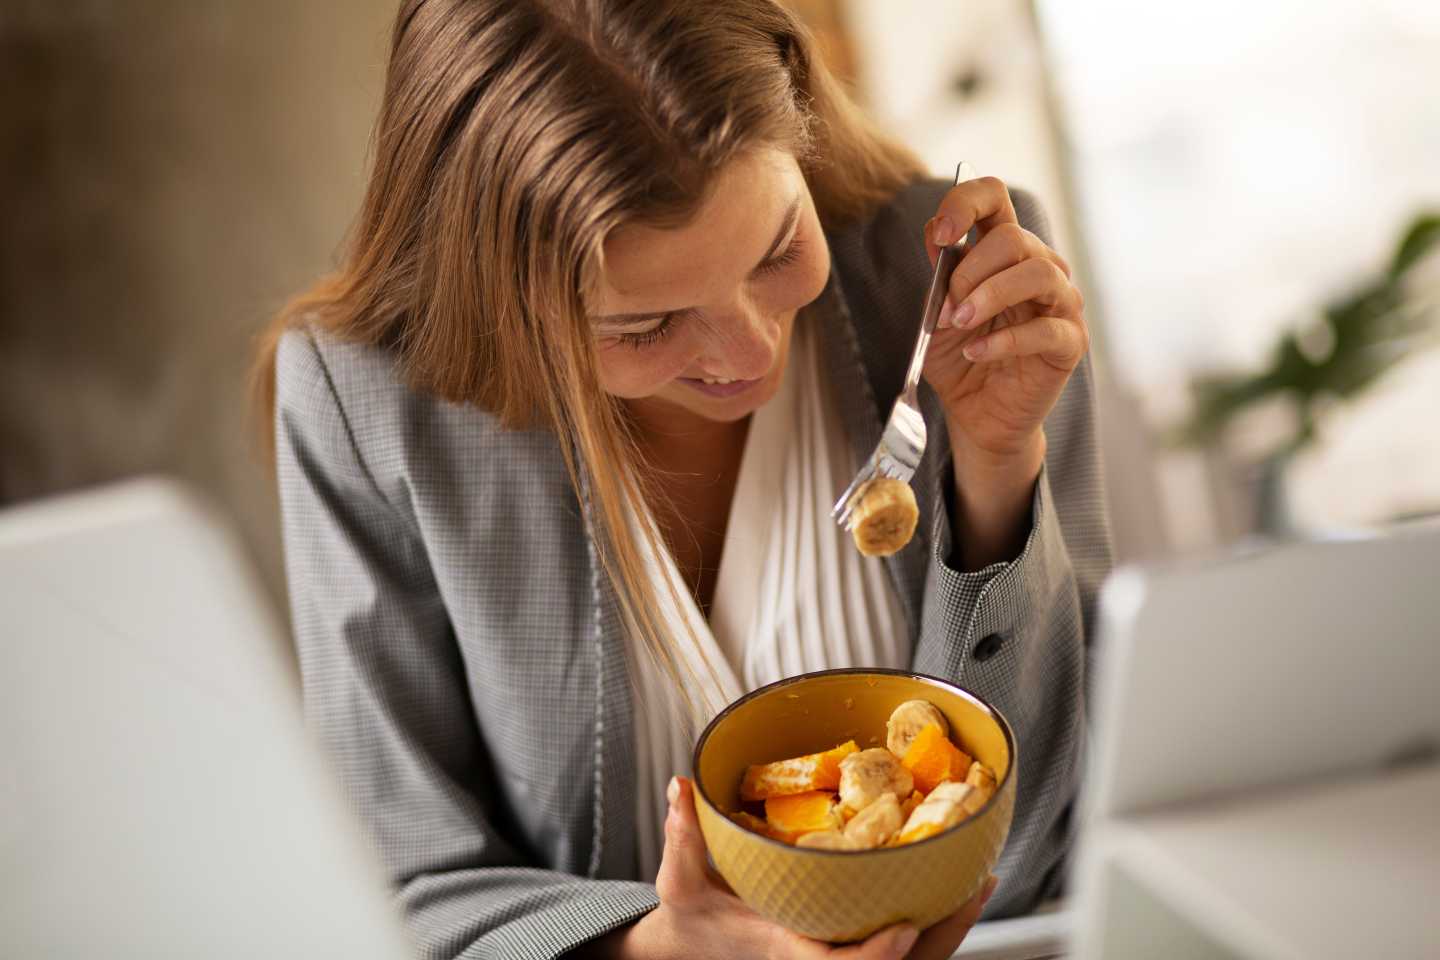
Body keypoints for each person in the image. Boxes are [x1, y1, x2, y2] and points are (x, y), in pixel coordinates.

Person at [255, 1, 1112, 957]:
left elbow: (1044, 854)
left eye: (777, 249)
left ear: (801, 124)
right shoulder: (362, 404)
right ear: (507, 299)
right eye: (646, 326)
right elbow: (399, 886)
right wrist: (655, 948)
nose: (747, 354)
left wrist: (997, 465)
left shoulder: (963, 295)